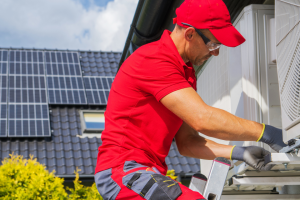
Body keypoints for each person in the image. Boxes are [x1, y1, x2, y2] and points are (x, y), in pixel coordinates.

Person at [94, 0, 287, 199]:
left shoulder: (185, 73)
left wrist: (238, 152)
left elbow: (187, 142)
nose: (216, 52)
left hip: (146, 171)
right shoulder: (154, 59)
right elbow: (203, 119)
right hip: (123, 170)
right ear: (190, 34)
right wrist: (266, 133)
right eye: (213, 44)